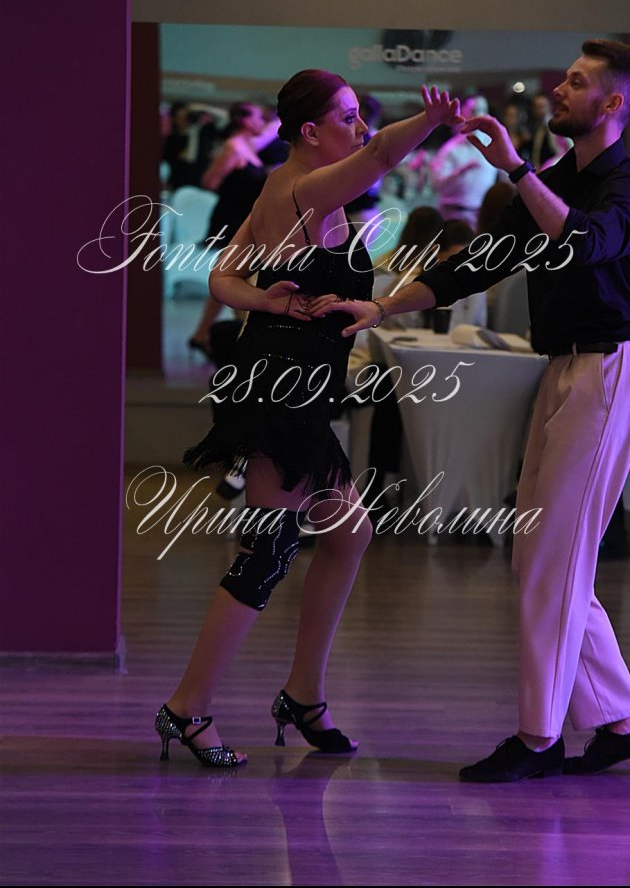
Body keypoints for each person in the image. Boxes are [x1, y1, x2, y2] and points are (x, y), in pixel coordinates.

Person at [312, 39, 630, 781]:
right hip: (564, 369)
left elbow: (582, 243)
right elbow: (476, 263)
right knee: (539, 555)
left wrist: (515, 169)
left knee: (554, 560)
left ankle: (539, 739)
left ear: (612, 104)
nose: (557, 89)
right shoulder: (558, 179)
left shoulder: (629, 189)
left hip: (611, 372)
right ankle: (625, 721)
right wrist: (382, 306)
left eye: (575, 82)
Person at [154, 69, 463, 768]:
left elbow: (223, 277)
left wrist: (266, 300)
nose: (359, 127)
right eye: (347, 116)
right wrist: (430, 120)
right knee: (266, 553)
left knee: (350, 532)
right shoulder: (304, 189)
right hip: (280, 391)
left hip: (292, 384)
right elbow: (381, 154)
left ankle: (304, 693)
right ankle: (186, 707)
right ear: (310, 131)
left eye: (359, 116)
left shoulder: (283, 188)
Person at [188, 102, 279, 358]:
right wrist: (236, 187)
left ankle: (203, 335)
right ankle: (243, 339)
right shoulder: (233, 147)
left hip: (244, 219)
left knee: (232, 277)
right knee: (236, 277)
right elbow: (209, 180)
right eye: (259, 117)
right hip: (233, 219)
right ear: (245, 120)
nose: (263, 122)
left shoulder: (248, 146)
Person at [429, 94, 499, 228]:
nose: (478, 115)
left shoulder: (493, 145)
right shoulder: (451, 148)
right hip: (453, 216)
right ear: (464, 113)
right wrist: (460, 171)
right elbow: (437, 185)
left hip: (480, 217)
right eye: (474, 111)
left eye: (482, 110)